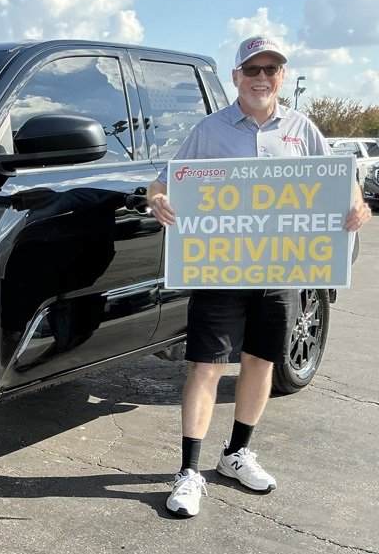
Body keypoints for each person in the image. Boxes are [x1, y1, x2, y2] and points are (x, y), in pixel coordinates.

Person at [147, 35, 372, 518]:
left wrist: (356, 202)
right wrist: (158, 199)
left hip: (280, 269)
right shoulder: (209, 130)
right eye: (253, 69)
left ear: (282, 77)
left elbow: (339, 176)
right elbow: (164, 181)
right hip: (220, 269)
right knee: (207, 367)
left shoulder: (302, 128)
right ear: (236, 77)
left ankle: (236, 454)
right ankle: (189, 471)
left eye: (272, 69)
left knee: (261, 362)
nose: (262, 78)